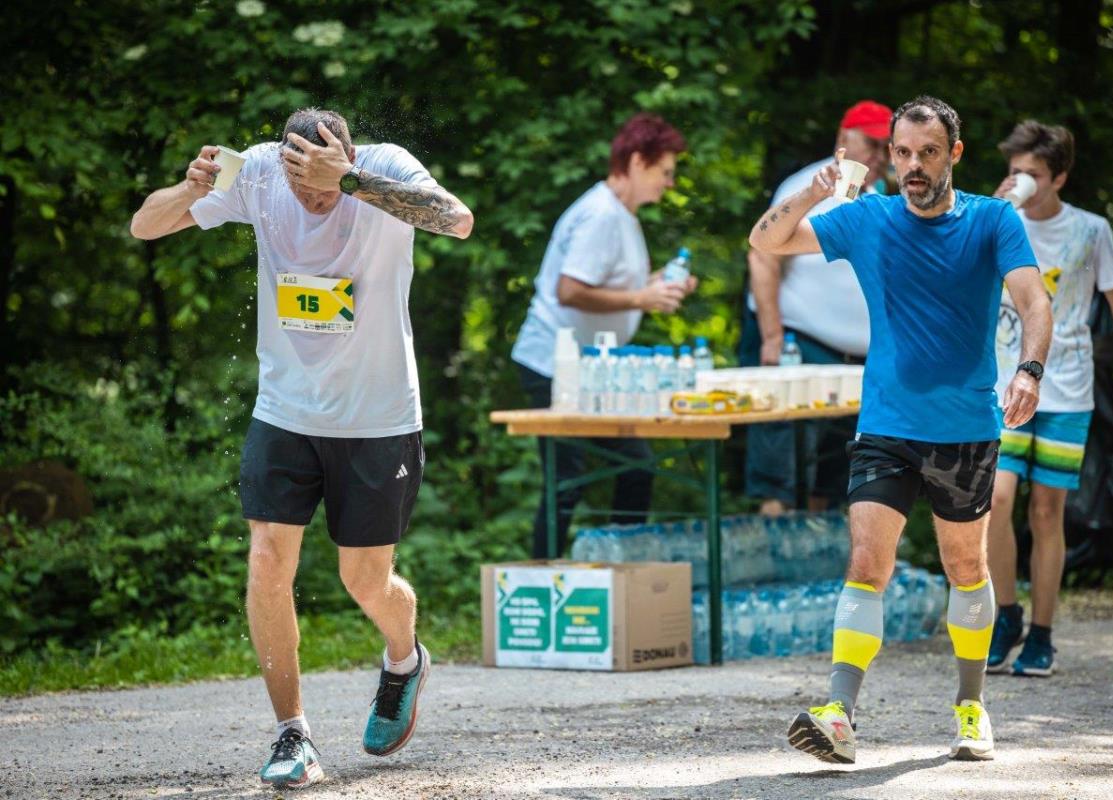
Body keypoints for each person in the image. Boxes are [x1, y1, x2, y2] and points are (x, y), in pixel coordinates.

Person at [130, 108, 474, 789]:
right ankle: (293, 733)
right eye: (303, 187)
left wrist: (348, 182)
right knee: (266, 558)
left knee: (364, 581)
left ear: (347, 156)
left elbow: (457, 220)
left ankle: (404, 659)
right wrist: (189, 190)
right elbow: (145, 225)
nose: (313, 200)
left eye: (322, 186)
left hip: (377, 417)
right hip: (285, 410)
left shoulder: (382, 165)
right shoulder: (257, 170)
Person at [749, 95, 1052, 764]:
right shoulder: (867, 218)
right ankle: (839, 714)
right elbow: (765, 241)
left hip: (966, 427)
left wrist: (1029, 371)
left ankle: (971, 706)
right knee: (866, 564)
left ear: (954, 154)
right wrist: (814, 192)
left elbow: (1034, 300)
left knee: (965, 567)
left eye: (928, 153)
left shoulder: (993, 220)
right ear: (889, 155)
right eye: (904, 153)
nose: (914, 166)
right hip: (886, 423)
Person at [985, 121, 1113, 678]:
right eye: (1015, 171)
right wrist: (993, 210)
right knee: (996, 500)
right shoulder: (998, 220)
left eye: (1033, 174)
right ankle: (1006, 615)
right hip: (1005, 385)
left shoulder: (1090, 229)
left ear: (1059, 177)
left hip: (1067, 390)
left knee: (1047, 511)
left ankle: (1041, 634)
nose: (1022, 181)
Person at [511, 113, 695, 559]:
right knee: (567, 480)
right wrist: (642, 298)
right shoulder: (602, 216)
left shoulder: (621, 215)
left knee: (636, 466)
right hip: (555, 364)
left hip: (590, 370)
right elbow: (570, 290)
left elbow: (609, 284)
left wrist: (656, 285)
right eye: (665, 171)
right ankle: (541, 578)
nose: (669, 183)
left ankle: (618, 568)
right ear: (637, 162)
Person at [741, 100, 891, 516]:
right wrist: (772, 336)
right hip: (800, 342)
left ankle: (818, 542)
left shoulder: (875, 196)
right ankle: (772, 537)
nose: (879, 156)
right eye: (872, 144)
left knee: (834, 467)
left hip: (856, 357)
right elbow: (762, 256)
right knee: (782, 460)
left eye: (886, 147)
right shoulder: (808, 186)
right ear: (844, 138)